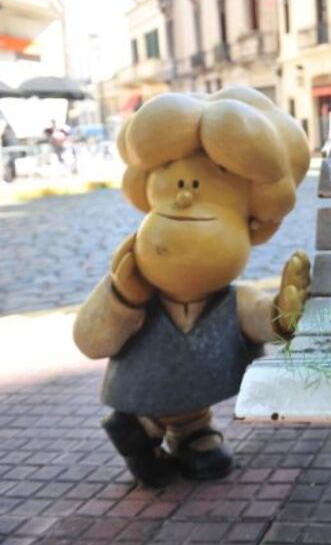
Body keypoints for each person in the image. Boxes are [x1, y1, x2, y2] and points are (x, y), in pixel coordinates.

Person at [73, 88, 312, 488]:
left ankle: (177, 430)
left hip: (174, 377)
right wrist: (122, 296)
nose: (184, 196)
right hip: (142, 360)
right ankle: (149, 425)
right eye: (173, 184)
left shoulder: (229, 299)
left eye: (204, 187)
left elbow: (255, 317)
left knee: (190, 406)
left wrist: (281, 313)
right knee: (171, 388)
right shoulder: (135, 278)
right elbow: (91, 339)